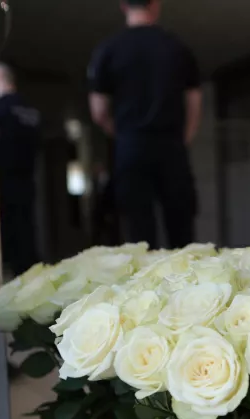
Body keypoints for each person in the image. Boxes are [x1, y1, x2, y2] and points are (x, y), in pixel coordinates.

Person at [88, 0, 201, 250]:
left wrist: (122, 135)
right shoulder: (177, 48)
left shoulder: (108, 50)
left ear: (123, 6)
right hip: (171, 144)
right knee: (181, 230)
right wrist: (185, 138)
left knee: (140, 234)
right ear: (156, 5)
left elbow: (98, 111)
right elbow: (194, 102)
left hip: (131, 146)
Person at [0, 62, 41, 277]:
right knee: (26, 233)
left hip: (2, 182)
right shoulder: (31, 110)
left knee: (6, 238)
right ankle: (31, 279)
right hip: (27, 180)